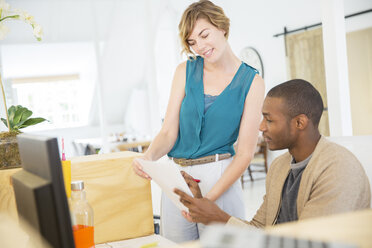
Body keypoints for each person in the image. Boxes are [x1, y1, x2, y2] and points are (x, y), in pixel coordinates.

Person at [132, 0, 265, 242]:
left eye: (204, 35)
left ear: (222, 27)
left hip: (220, 177)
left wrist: (207, 200)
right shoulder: (185, 71)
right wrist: (147, 158)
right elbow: (168, 131)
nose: (200, 47)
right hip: (177, 179)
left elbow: (245, 153)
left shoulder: (252, 82)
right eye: (192, 42)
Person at [175, 79, 371, 228]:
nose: (261, 127)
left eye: (269, 120)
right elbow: (260, 230)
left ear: (299, 123)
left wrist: (220, 217)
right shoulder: (280, 167)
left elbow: (311, 243)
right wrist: (209, 212)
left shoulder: (338, 169)